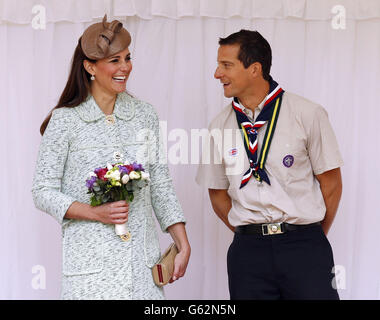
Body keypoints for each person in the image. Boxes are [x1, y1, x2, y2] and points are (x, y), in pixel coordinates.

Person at [32, 15, 190, 300]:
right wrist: (93, 212)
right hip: (90, 275)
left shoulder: (144, 115)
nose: (125, 68)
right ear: (90, 66)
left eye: (127, 58)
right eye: (114, 60)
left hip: (141, 271)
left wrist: (181, 240)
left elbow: (161, 184)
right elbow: (42, 192)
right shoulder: (65, 121)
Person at [196, 29, 343, 300]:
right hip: (248, 255)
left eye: (226, 65)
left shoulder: (307, 114)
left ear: (255, 69)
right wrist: (253, 232)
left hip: (305, 249)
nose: (217, 74)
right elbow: (217, 194)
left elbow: (331, 184)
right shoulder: (219, 126)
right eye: (218, 65)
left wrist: (308, 234)